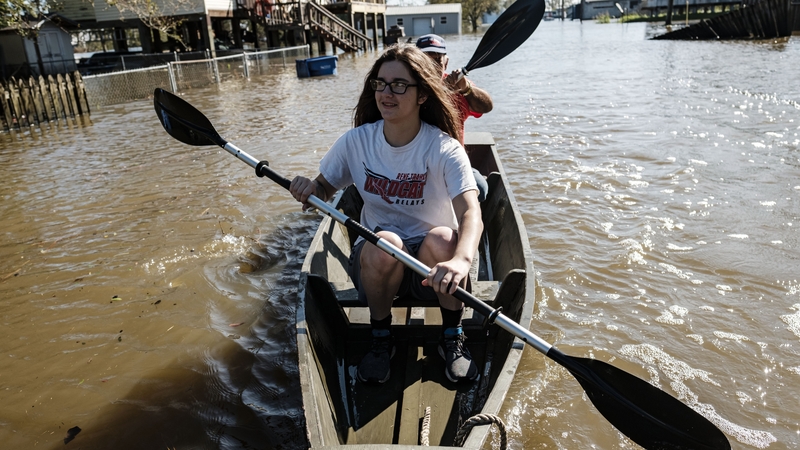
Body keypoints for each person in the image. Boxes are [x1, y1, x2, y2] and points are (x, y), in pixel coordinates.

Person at [289, 44, 483, 384]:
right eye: (380, 83)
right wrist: (309, 189)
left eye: (399, 85)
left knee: (442, 238)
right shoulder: (356, 142)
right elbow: (322, 188)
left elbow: (471, 212)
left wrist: (462, 262)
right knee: (386, 243)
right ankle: (381, 338)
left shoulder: (444, 148)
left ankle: (452, 336)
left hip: (436, 274)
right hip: (377, 268)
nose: (386, 93)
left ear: (423, 94)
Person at [416, 34, 492, 202]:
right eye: (425, 61)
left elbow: (486, 107)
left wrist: (467, 89)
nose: (431, 67)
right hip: (415, 168)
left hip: (452, 165)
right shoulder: (407, 88)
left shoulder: (459, 85)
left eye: (437, 61)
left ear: (446, 63)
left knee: (480, 187)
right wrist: (441, 92)